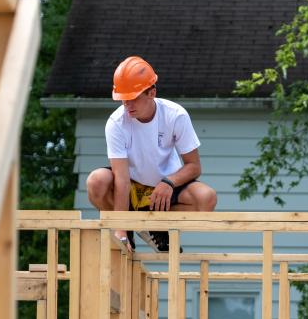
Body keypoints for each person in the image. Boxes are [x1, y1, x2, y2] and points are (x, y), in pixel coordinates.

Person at [86, 56, 217, 251]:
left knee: (207, 198)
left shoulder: (175, 115)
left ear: (151, 92)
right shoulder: (116, 123)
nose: (127, 105)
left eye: (133, 98)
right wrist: (120, 230)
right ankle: (132, 227)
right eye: (123, 99)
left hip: (164, 190)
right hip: (130, 187)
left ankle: (155, 226)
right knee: (96, 181)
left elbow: (194, 166)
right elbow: (121, 179)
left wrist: (169, 182)